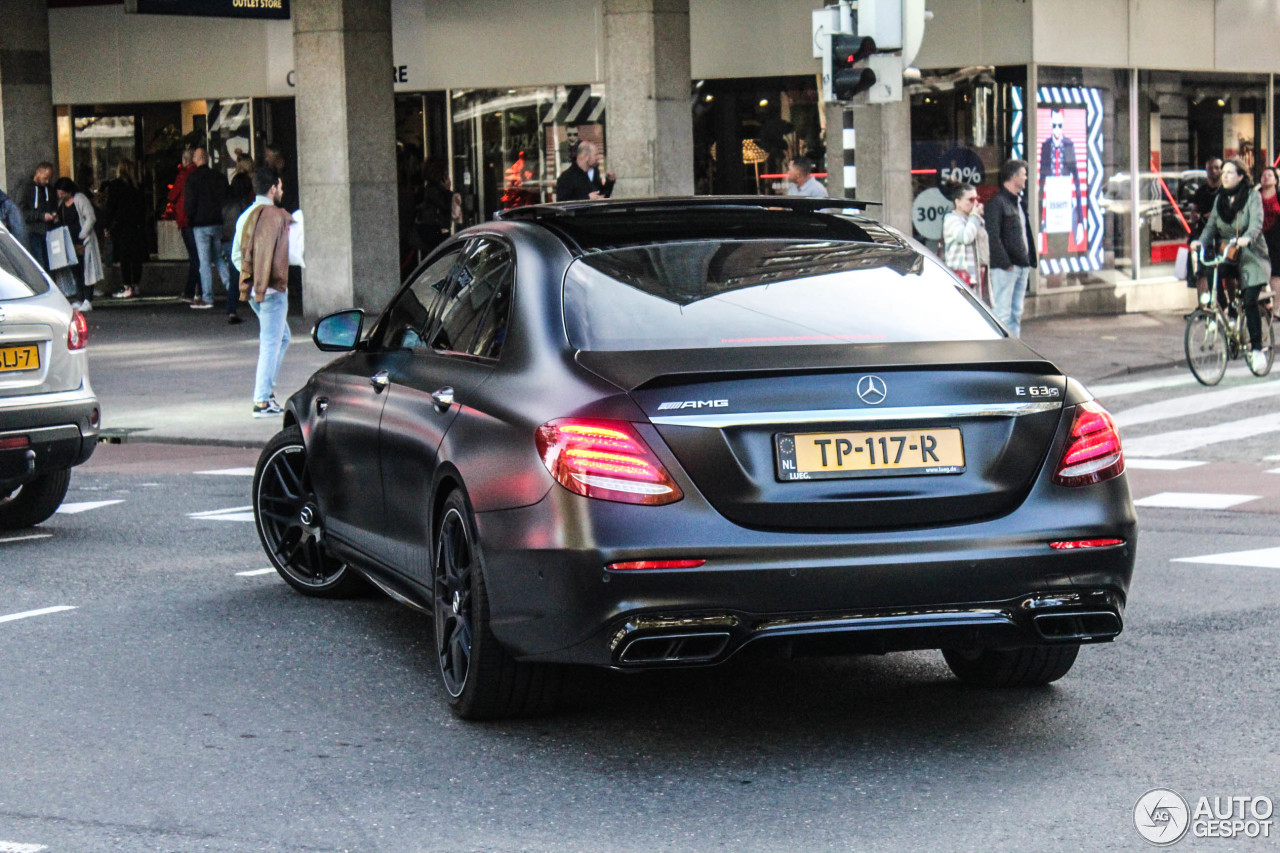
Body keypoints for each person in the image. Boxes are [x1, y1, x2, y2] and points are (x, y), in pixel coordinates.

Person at [1191, 158, 1272, 372]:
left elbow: (1256, 223)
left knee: (1249, 299)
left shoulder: (1253, 196)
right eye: (1223, 172)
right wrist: (1201, 240)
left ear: (1241, 176)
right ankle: (1228, 312)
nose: (1224, 176)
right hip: (1230, 253)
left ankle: (1257, 351)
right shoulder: (1221, 199)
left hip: (1252, 255)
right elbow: (1210, 226)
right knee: (1211, 271)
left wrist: (1246, 238)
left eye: (1229, 172)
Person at [234, 166, 294, 418]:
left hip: (256, 291)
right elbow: (290, 252)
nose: (281, 190)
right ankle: (262, 399)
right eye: (280, 186)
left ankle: (266, 393)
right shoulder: (276, 216)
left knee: (281, 338)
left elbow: (236, 255)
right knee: (272, 342)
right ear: (272, 188)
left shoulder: (246, 216)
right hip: (273, 290)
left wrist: (251, 278)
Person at [984, 159, 1037, 337]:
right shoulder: (997, 203)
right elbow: (993, 236)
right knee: (1002, 313)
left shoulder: (1019, 202)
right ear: (1014, 177)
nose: (1026, 178)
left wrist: (1028, 261)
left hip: (1021, 265)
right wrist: (1006, 263)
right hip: (1006, 268)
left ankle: (1015, 348)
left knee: (1016, 313)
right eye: (1023, 174)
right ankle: (1001, 350)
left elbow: (1024, 233)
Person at [184, 147, 232, 310]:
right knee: (218, 257)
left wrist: (191, 219)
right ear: (208, 158)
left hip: (200, 224)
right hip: (218, 222)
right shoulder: (219, 177)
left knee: (204, 261)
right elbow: (226, 199)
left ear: (196, 160)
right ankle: (232, 289)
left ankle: (207, 297)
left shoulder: (192, 179)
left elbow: (189, 205)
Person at [53, 177, 104, 311]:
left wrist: (82, 235)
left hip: (83, 240)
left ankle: (88, 299)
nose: (60, 195)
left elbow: (90, 217)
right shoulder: (61, 204)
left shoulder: (80, 199)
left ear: (68, 191)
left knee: (86, 269)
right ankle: (80, 298)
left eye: (62, 192)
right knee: (76, 271)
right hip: (70, 242)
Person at [1037, 108, 1085, 247]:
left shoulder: (1068, 145)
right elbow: (1041, 183)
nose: (1057, 130)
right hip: (1051, 203)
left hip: (1065, 202)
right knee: (1052, 244)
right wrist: (1039, 224)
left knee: (1064, 242)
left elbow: (1077, 182)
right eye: (1054, 126)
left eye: (1059, 126)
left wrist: (1080, 221)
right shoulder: (1046, 146)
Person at [104, 159, 147, 299]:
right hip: (137, 226)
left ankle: (127, 285)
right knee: (136, 257)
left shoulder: (115, 185)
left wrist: (107, 225)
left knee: (124, 257)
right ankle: (136, 285)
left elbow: (111, 207)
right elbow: (142, 208)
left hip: (121, 226)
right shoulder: (137, 186)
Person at [942, 180, 989, 303]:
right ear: (958, 202)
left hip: (975, 276)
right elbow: (965, 237)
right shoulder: (951, 219)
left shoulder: (972, 219)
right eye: (970, 200)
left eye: (976, 199)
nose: (974, 204)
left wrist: (978, 218)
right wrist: (974, 217)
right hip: (960, 276)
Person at [221, 164, 255, 323]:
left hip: (228, 241)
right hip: (242, 243)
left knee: (235, 277)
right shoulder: (246, 205)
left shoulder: (226, 202)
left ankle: (231, 309)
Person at [167, 148, 199, 303]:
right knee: (200, 256)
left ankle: (190, 291)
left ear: (186, 160)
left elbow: (172, 196)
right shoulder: (199, 174)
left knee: (195, 257)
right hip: (199, 220)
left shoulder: (184, 175)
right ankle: (201, 290)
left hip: (186, 220)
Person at [14, 162, 58, 269]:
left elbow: (52, 204)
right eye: (45, 178)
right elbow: (21, 212)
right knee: (39, 263)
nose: (47, 181)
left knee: (50, 265)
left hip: (48, 232)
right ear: (38, 173)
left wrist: (54, 214)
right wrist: (41, 216)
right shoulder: (25, 188)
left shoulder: (49, 189)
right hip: (33, 232)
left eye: (49, 178)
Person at [1258, 165, 1280, 317]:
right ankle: (1263, 305)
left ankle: (1277, 308)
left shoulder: (1279, 196)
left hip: (1276, 239)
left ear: (1276, 180)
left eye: (1269, 175)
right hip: (1258, 238)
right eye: (1264, 175)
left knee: (1276, 274)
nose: (1266, 178)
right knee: (1259, 272)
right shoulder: (1255, 196)